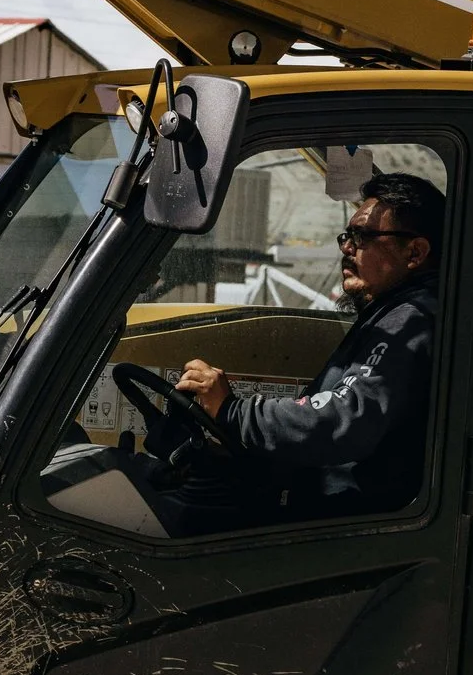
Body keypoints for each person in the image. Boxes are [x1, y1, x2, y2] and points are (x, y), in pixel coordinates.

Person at [173, 171, 443, 519]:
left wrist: (232, 411)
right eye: (347, 235)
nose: (347, 248)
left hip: (350, 526)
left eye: (363, 237)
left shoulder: (410, 321)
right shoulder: (394, 314)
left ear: (415, 252)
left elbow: (343, 420)